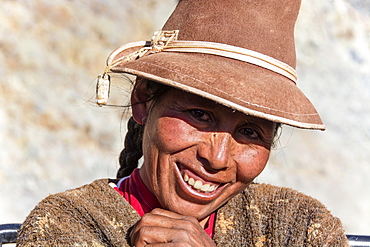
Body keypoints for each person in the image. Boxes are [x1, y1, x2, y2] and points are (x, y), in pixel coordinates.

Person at [17, 0, 349, 246]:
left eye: (249, 132)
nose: (217, 158)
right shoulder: (67, 225)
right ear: (143, 101)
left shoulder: (298, 227)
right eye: (199, 115)